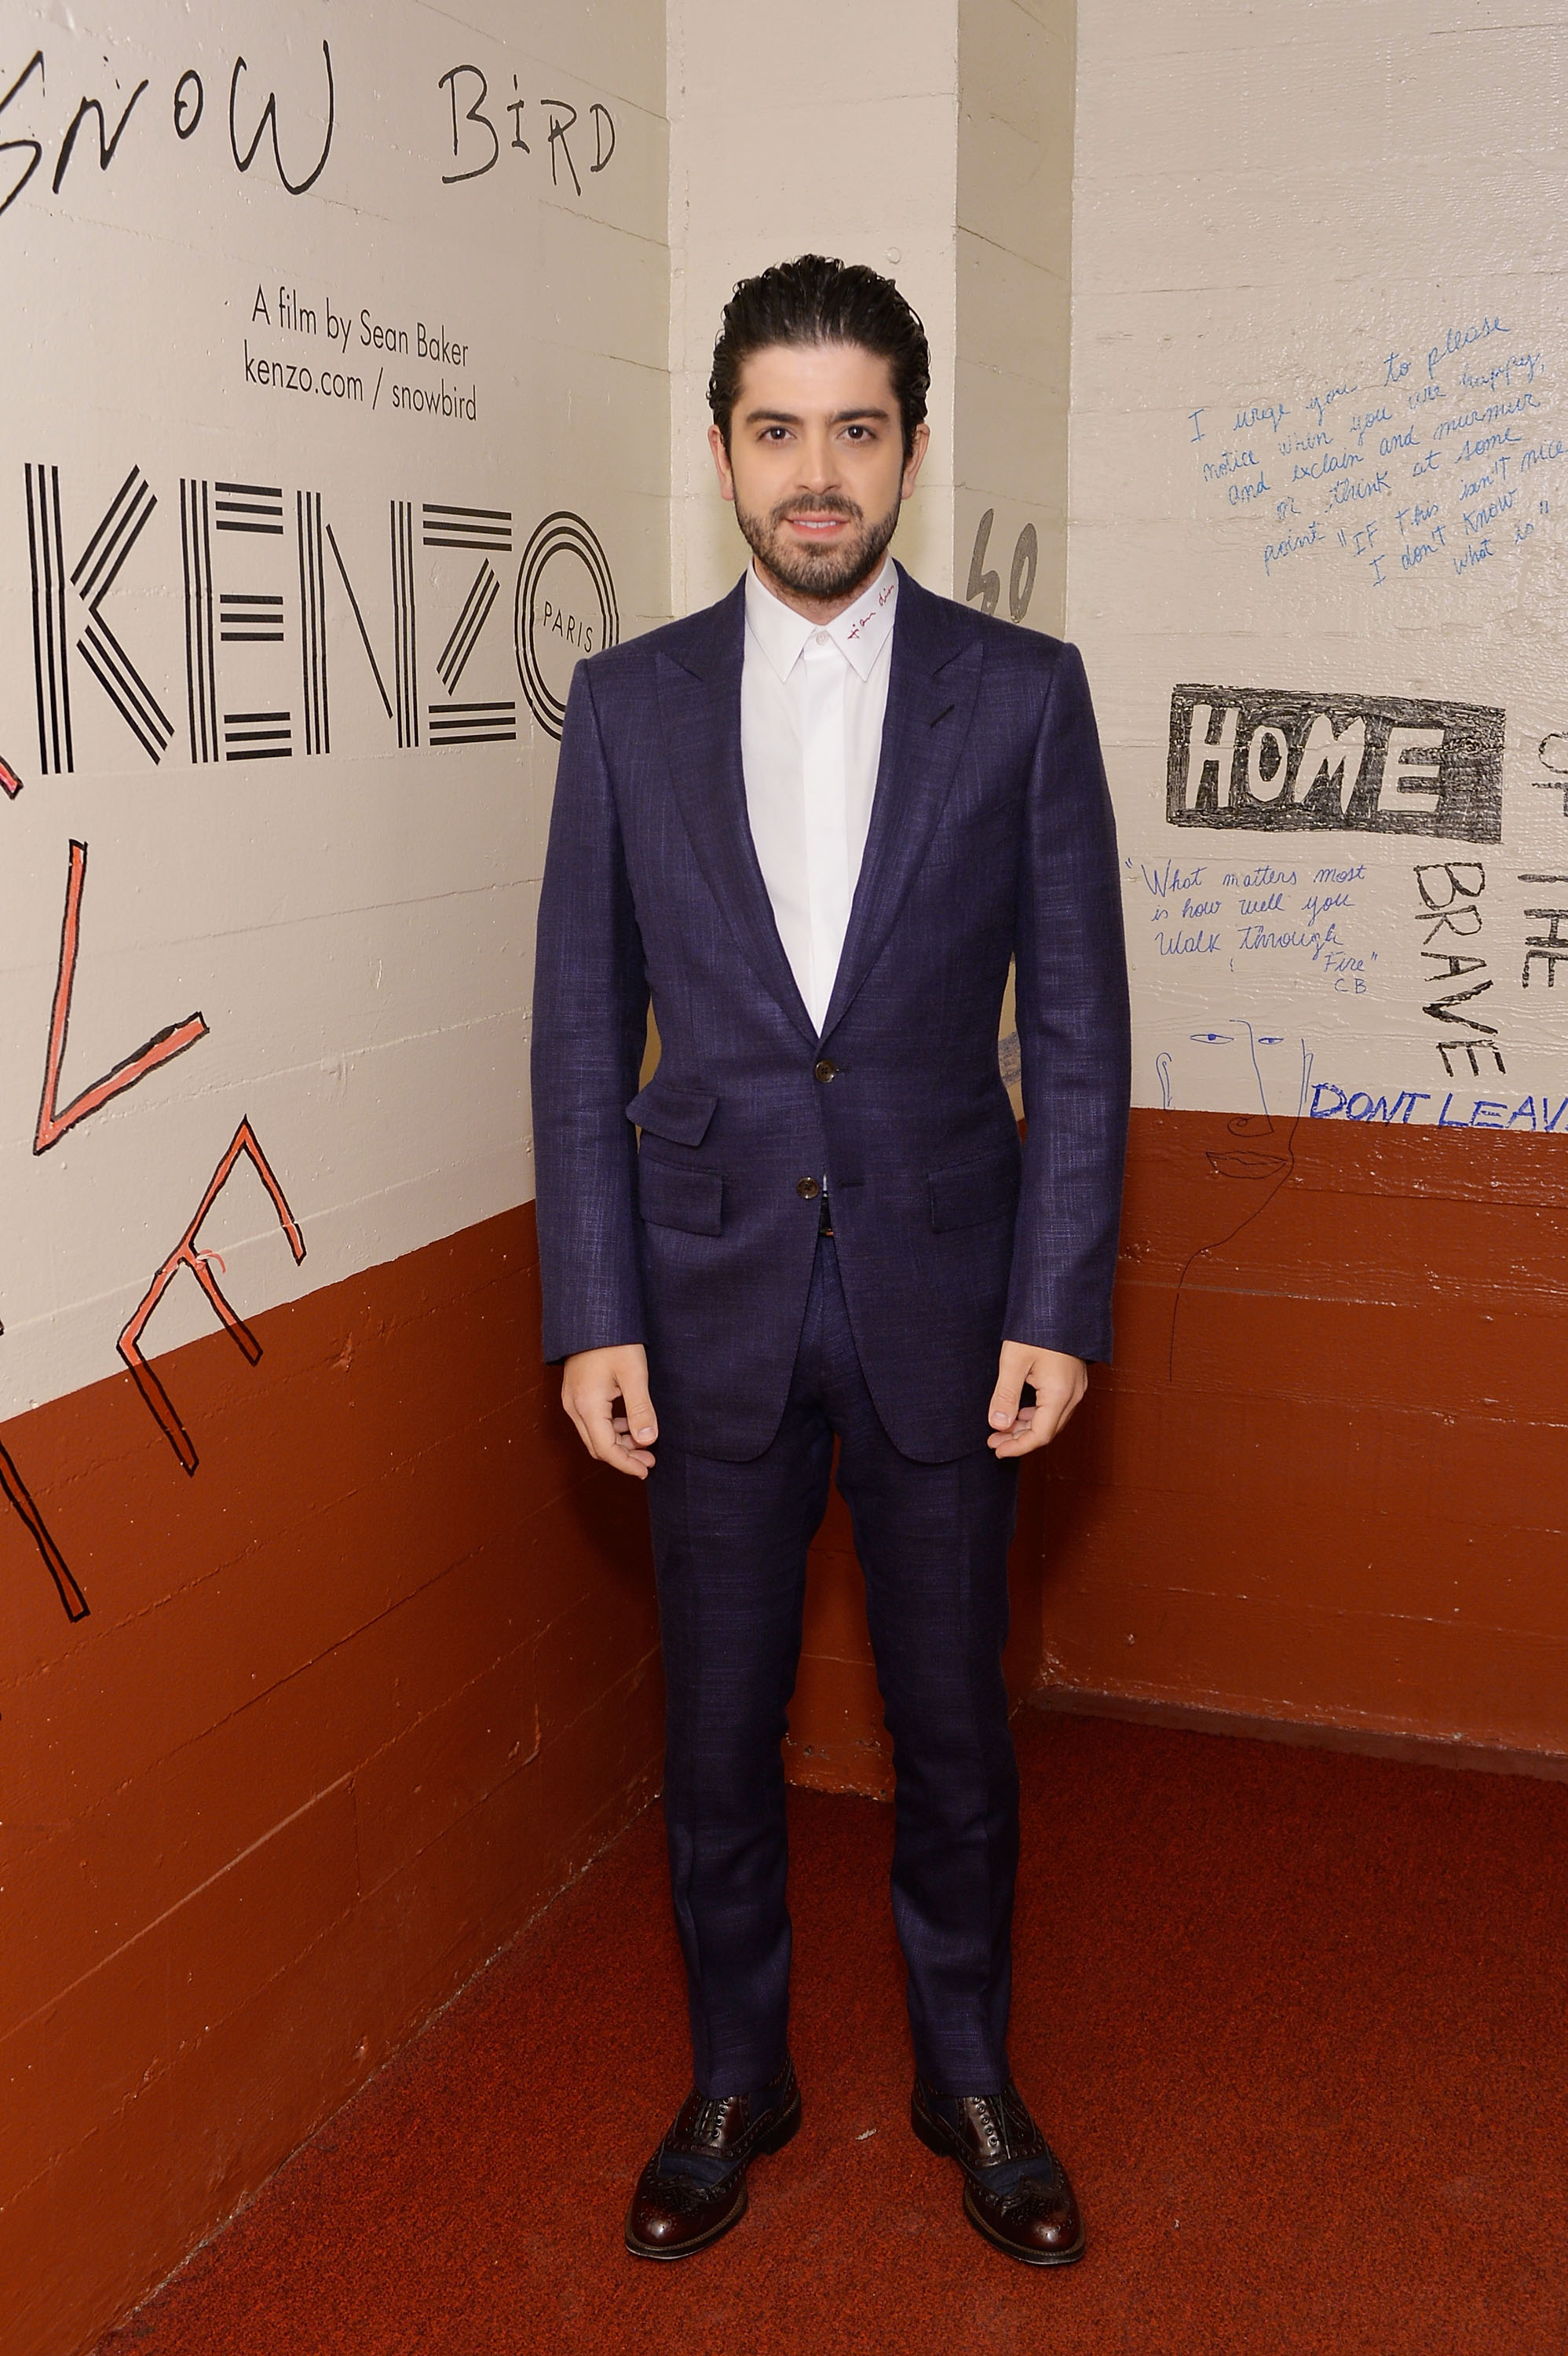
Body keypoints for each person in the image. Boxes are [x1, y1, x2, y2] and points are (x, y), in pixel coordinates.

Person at [532, 254, 1129, 2266]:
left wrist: (1060, 1301)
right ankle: (737, 2073)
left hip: (954, 1309)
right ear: (722, 452)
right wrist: (591, 1311)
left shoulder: (1023, 696)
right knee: (715, 1735)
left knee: (954, 1734)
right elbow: (572, 1029)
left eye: (855, 431)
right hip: (697, 1307)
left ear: (908, 449)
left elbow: (1078, 1034)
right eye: (777, 431)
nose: (817, 473)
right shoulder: (621, 711)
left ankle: (968, 2074)